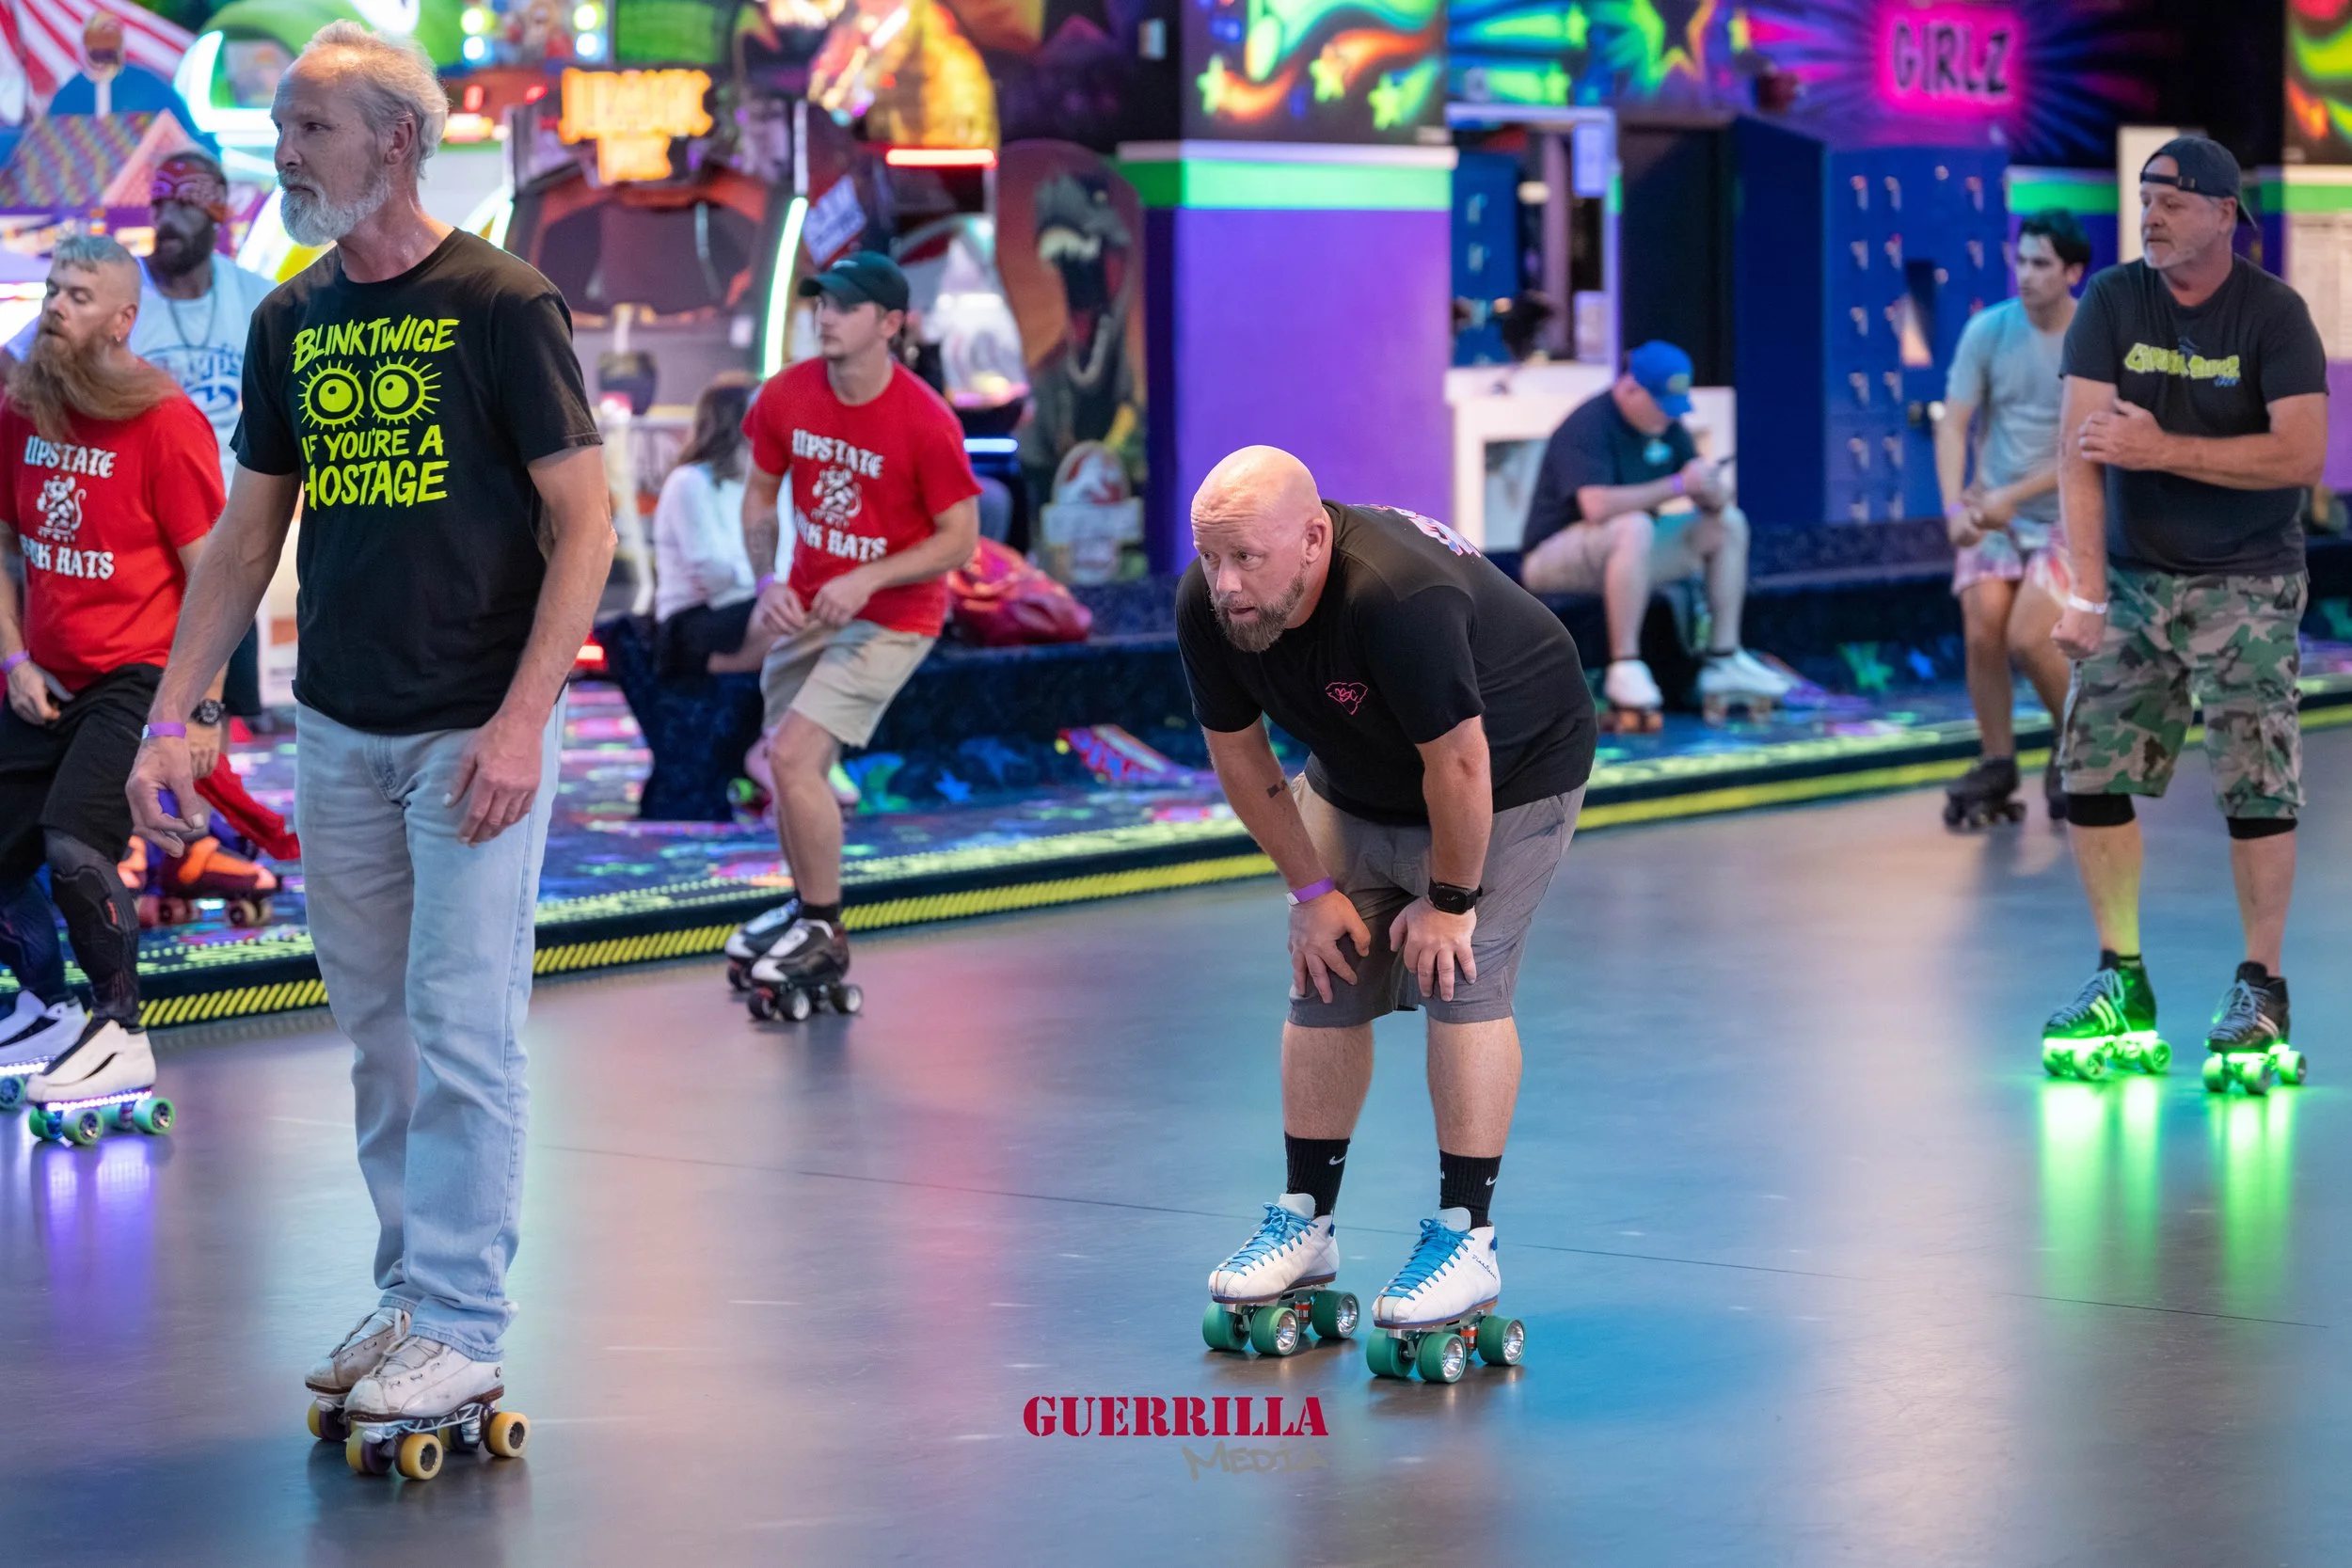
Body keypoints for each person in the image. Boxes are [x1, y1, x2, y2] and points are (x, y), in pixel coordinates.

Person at [126, 24, 612, 1434]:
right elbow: (244, 531)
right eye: (281, 128)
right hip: (343, 727)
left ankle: (463, 1319)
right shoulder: (293, 317)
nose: (280, 152)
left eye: (309, 127)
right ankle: (410, 1290)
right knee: (382, 1032)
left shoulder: (502, 303)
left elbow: (584, 521)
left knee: (467, 1028)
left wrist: (525, 719)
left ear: (396, 140)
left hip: (476, 728)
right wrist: (180, 706)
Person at [1177, 447, 1595, 1354]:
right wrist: (1312, 891)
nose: (1226, 584)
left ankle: (1467, 1235)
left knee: (1460, 975)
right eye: (1212, 558)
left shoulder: (1394, 597)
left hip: (1513, 766)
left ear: (1315, 538)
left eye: (1247, 557)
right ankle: (1306, 1224)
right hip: (1358, 773)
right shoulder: (1210, 606)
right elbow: (1241, 756)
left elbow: (1460, 763)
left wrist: (1449, 901)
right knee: (1323, 970)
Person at [2041, 135, 2328, 1083]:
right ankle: (2119, 974)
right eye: (2143, 198)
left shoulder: (2273, 315)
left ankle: (2261, 983)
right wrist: (2084, 592)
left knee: (2255, 777)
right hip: (2132, 575)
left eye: (2169, 199)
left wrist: (2163, 448)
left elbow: (2298, 457)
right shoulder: (2115, 302)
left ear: (2220, 212)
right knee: (2089, 767)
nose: (2149, 215)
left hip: (2247, 574)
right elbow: (2081, 452)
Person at [0, 235, 225, 1098]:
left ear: (124, 319)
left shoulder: (163, 419)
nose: (56, 305)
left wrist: (200, 708)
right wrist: (15, 656)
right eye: (54, 289)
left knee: (73, 840)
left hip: (142, 671)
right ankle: (44, 1007)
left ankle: (121, 1028)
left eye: (80, 295)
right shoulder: (23, 409)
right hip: (50, 673)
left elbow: (216, 574)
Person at [723, 251, 980, 1005]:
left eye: (844, 305)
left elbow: (959, 538)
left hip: (894, 617)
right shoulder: (787, 396)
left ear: (890, 323)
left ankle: (825, 929)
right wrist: (766, 581)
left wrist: (870, 574)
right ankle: (807, 908)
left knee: (798, 756)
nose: (824, 316)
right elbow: (761, 498)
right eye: (820, 303)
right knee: (781, 759)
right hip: (808, 606)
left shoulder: (926, 420)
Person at [1, 151, 279, 721]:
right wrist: (60, 425)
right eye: (160, 204)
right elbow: (16, 360)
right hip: (129, 530)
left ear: (216, 213)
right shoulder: (114, 296)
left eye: (185, 205)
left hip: (223, 526)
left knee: (218, 717)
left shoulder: (255, 297)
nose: (168, 219)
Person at [1519, 340, 1789, 726]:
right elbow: (1595, 507)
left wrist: (1712, 489)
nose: (1667, 416)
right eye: (1661, 404)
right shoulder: (1588, 424)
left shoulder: (1669, 426)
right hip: (1551, 559)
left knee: (1729, 523)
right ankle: (1625, 665)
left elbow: (1706, 491)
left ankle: (1723, 657)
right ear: (1631, 388)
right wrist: (1679, 485)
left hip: (1623, 552)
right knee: (1634, 524)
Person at [1935, 210, 2091, 825]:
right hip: (1994, 510)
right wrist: (1955, 506)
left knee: (2031, 636)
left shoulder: (2092, 339)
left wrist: (2013, 494)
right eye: (2020, 261)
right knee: (1982, 627)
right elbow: (1953, 422)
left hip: (2065, 514)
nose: (2025, 275)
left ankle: (2074, 744)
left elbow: (2086, 446)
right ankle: (1998, 759)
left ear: (2073, 272)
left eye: (2041, 264)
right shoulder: (1988, 330)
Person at [653, 372, 775, 676]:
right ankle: (717, 668)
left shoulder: (767, 488)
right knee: (794, 618)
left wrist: (751, 577)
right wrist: (763, 581)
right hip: (693, 619)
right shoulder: (689, 483)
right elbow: (713, 575)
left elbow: (780, 562)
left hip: (749, 604)